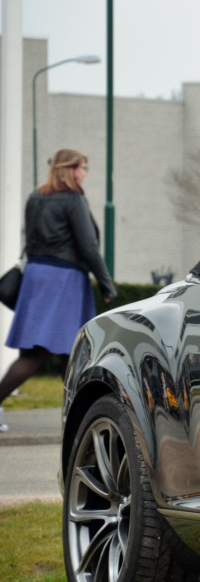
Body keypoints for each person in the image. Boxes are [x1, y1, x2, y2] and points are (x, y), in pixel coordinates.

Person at [0, 149, 115, 432]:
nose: (85, 173)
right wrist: (106, 283)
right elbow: (88, 247)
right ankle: (78, 422)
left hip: (38, 276)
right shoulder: (73, 199)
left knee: (63, 355)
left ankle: (76, 421)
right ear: (70, 169)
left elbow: (32, 240)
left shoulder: (35, 197)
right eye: (83, 167)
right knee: (45, 354)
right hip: (64, 280)